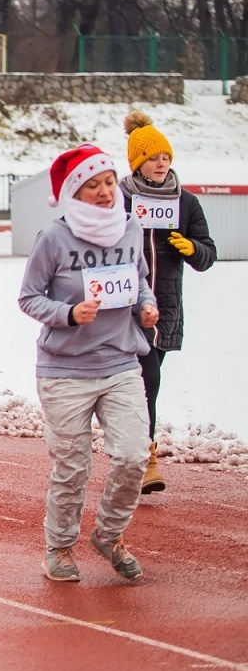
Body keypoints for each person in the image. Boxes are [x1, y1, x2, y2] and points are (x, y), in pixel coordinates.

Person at [20, 143, 158, 582]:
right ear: (74, 193)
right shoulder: (54, 238)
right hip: (65, 371)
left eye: (109, 182)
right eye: (92, 185)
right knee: (73, 466)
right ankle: (59, 548)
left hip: (120, 362)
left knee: (134, 456)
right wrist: (68, 314)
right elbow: (28, 298)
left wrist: (146, 307)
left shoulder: (130, 228)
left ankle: (109, 535)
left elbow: (140, 282)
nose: (104, 192)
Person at [120, 111, 216, 494]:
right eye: (153, 158)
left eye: (166, 157)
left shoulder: (186, 203)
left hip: (166, 309)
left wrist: (191, 248)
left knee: (145, 383)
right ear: (137, 162)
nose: (161, 164)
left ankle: (131, 452)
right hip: (125, 308)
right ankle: (145, 461)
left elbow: (208, 254)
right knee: (148, 379)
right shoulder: (121, 198)